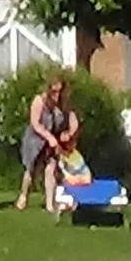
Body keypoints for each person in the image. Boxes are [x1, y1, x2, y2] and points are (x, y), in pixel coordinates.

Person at [17, 77, 77, 213]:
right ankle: (23, 195)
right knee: (31, 170)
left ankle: (50, 203)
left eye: (60, 91)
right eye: (54, 91)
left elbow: (73, 121)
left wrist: (69, 133)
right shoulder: (39, 101)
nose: (57, 95)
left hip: (53, 140)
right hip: (35, 140)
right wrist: (48, 137)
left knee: (51, 168)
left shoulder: (64, 104)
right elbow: (35, 123)